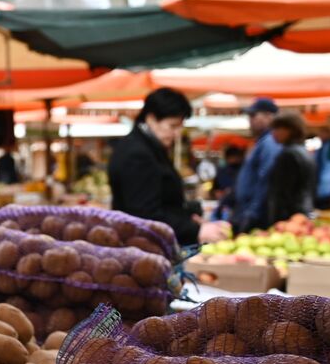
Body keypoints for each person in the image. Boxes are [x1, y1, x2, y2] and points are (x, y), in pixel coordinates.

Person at [108, 88, 227, 246]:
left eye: (180, 126)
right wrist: (194, 230)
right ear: (151, 119)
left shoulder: (150, 147)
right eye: (172, 126)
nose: (177, 133)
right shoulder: (137, 154)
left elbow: (163, 202)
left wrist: (188, 216)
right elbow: (145, 215)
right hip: (142, 250)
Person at [233, 97, 282, 233]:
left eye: (253, 115)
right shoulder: (263, 142)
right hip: (250, 211)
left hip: (258, 217)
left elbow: (266, 180)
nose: (250, 120)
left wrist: (252, 214)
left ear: (269, 116)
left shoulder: (270, 143)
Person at [265, 112, 316, 224]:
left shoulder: (288, 154)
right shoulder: (304, 152)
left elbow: (283, 192)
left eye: (277, 128)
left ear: (290, 130)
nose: (274, 133)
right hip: (303, 212)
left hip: (289, 217)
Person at [210, 145, 245, 221]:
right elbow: (215, 190)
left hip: (237, 207)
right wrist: (220, 193)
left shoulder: (243, 170)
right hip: (226, 207)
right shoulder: (222, 171)